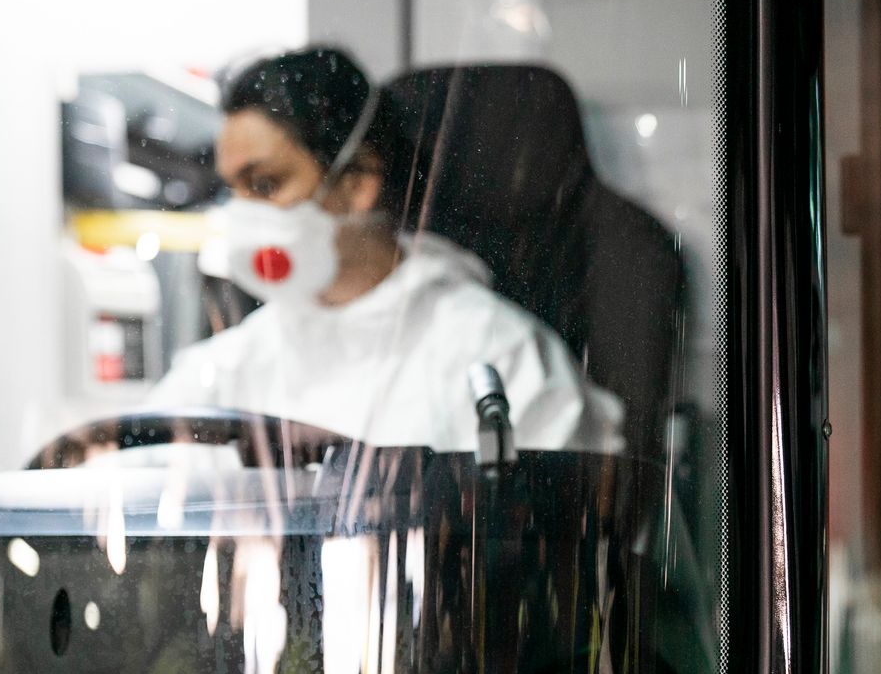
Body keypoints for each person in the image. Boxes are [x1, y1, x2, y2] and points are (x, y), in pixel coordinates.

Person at [150, 47, 624, 454]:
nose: (244, 214)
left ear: (356, 181)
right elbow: (132, 474)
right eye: (234, 189)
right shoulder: (239, 361)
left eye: (266, 184)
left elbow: (562, 531)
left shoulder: (494, 353)